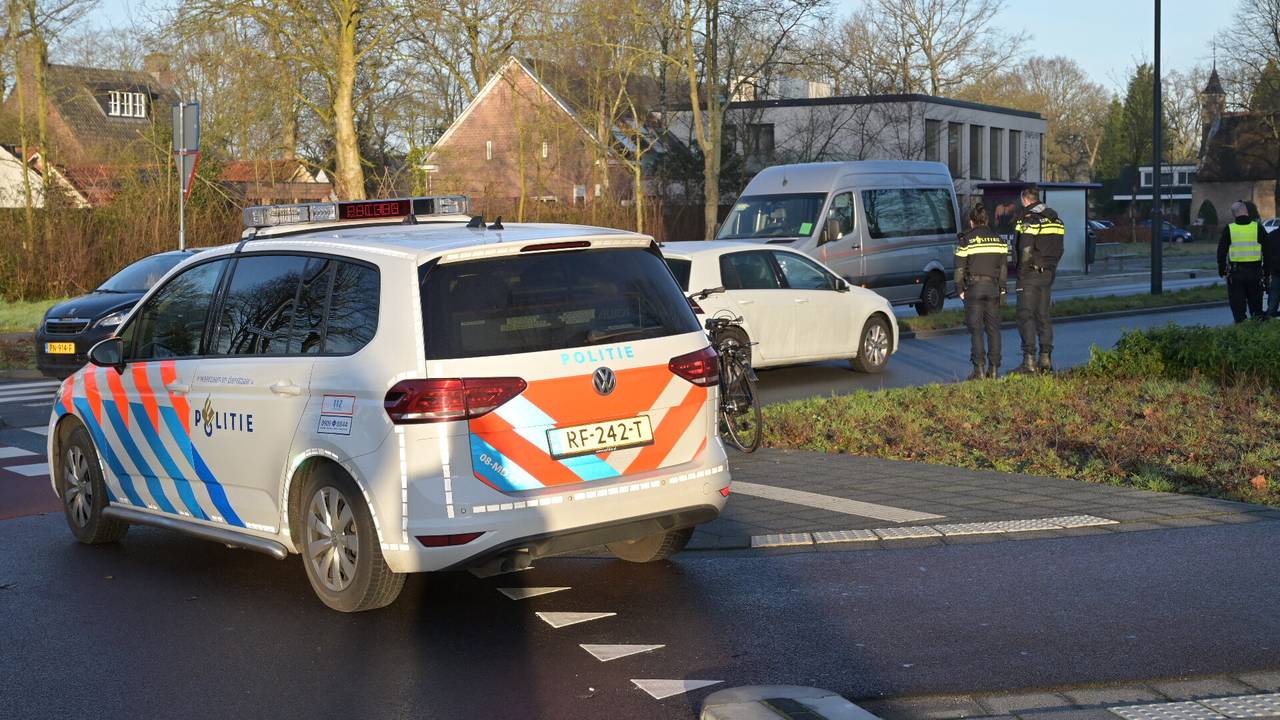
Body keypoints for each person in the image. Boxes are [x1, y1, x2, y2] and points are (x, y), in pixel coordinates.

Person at [1011, 186, 1064, 374]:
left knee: (1025, 316)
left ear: (1025, 200)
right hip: (1048, 273)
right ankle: (1046, 360)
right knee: (1043, 316)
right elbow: (1060, 250)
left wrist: (1022, 272)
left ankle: (1029, 362)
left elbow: (1025, 250)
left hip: (1030, 274)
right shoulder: (1056, 220)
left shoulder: (1029, 219)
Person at [955, 202, 1008, 380]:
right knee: (994, 330)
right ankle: (993, 370)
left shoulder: (966, 240)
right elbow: (1003, 270)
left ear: (972, 221)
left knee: (976, 330)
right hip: (993, 289)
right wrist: (1002, 290)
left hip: (974, 289)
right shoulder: (999, 240)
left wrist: (959, 289)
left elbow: (959, 270)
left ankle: (979, 370)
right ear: (986, 220)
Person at [1217, 201, 1266, 323]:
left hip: (1236, 274)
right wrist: (1267, 272)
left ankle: (1241, 332)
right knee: (1256, 310)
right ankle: (1257, 334)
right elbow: (1268, 252)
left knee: (1238, 310)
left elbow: (1221, 252)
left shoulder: (1229, 229)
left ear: (1234, 215)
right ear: (1247, 212)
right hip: (1255, 273)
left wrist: (1222, 270)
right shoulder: (1258, 227)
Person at [1265, 223, 1280, 319]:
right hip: (1276, 273)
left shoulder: (1272, 235)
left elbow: (1267, 256)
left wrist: (1267, 272)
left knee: (1272, 306)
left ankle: (1269, 328)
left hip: (1276, 274)